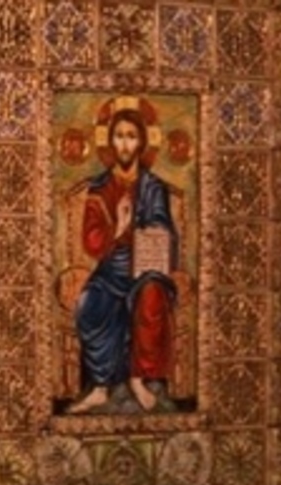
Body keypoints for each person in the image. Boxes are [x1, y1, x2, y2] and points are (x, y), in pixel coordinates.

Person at [68, 105, 178, 413]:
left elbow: (164, 229)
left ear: (142, 142)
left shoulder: (153, 187)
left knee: (151, 295)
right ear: (110, 142)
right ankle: (101, 387)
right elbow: (91, 242)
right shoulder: (100, 188)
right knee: (88, 304)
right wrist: (117, 226)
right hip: (111, 265)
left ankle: (137, 379)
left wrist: (149, 231)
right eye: (119, 136)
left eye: (131, 137)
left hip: (146, 267)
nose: (125, 144)